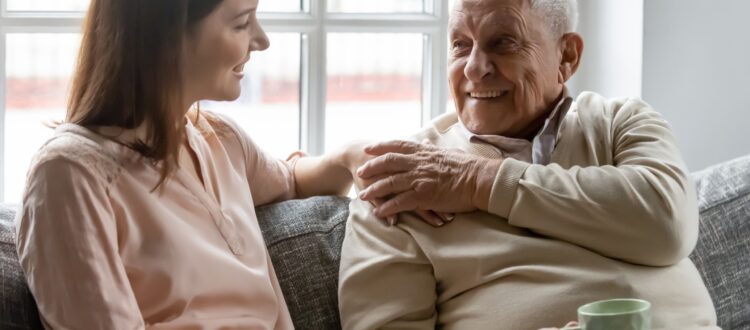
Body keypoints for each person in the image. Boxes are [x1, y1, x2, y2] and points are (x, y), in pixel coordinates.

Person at [338, 0, 719, 329]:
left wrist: (479, 182)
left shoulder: (621, 121)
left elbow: (667, 224)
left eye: (502, 43)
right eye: (460, 45)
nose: (473, 68)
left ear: (566, 56)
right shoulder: (404, 179)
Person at [15, 0, 363, 328]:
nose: (262, 40)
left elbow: (292, 181)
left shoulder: (221, 141)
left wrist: (353, 155)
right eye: (242, 23)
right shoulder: (69, 175)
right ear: (167, 36)